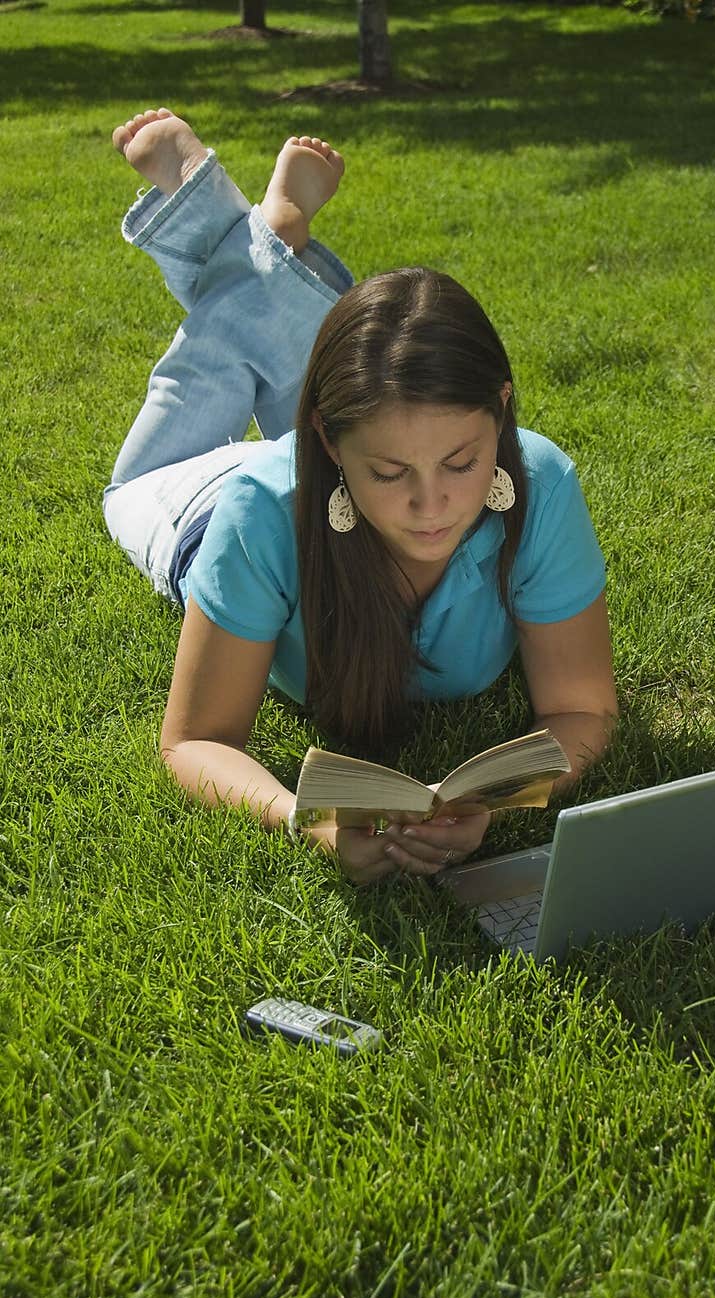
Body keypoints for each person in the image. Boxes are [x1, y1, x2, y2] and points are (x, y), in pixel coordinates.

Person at [104, 107, 618, 886]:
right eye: (392, 475)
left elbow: (585, 708)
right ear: (328, 441)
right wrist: (304, 818)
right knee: (212, 359)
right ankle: (246, 220)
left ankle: (269, 235)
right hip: (195, 500)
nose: (433, 503)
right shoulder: (256, 510)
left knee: (325, 357)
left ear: (503, 410)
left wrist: (508, 802)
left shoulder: (538, 485)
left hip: (336, 460)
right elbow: (195, 740)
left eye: (461, 462)